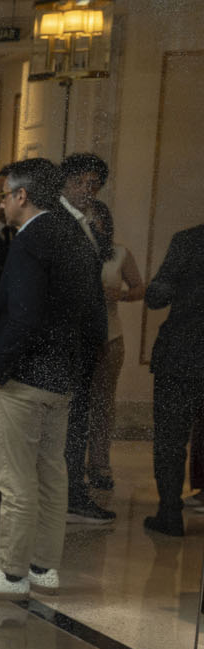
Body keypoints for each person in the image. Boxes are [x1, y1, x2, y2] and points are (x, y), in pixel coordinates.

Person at [0, 157, 106, 599]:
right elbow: (86, 312)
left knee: (16, 481)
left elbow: (26, 317)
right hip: (59, 380)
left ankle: (12, 574)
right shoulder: (74, 235)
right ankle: (43, 568)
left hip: (21, 379)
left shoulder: (30, 239)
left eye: (5, 196)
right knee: (51, 475)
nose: (1, 204)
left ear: (23, 196)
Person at [59, 153, 140, 521]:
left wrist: (118, 295)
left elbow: (138, 288)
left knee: (100, 405)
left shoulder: (118, 253)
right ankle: (70, 475)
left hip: (109, 336)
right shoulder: (71, 239)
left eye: (101, 221)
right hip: (77, 337)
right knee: (73, 406)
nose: (96, 224)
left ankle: (98, 468)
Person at [143, 221, 204, 536]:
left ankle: (170, 513)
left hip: (182, 355)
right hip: (184, 355)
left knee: (170, 440)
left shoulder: (188, 240)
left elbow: (157, 297)